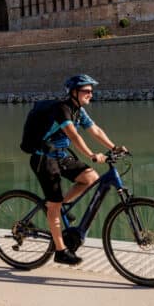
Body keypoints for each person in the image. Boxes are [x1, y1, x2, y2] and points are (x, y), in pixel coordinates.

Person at [29, 75, 125, 266]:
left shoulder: (78, 111)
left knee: (91, 178)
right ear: (74, 92)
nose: (91, 94)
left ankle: (60, 208)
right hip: (43, 157)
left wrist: (115, 148)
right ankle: (60, 250)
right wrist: (92, 155)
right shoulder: (62, 108)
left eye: (91, 91)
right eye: (86, 91)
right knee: (54, 204)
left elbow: (95, 130)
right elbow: (74, 136)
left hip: (61, 154)